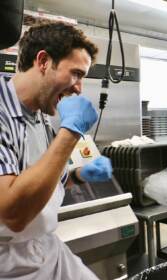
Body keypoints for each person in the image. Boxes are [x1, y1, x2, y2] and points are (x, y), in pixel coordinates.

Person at [0, 22, 113, 279]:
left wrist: (79, 174)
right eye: (76, 74)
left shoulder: (41, 114)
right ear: (43, 61)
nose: (79, 88)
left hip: (44, 247)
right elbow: (13, 215)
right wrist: (70, 133)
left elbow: (46, 179)